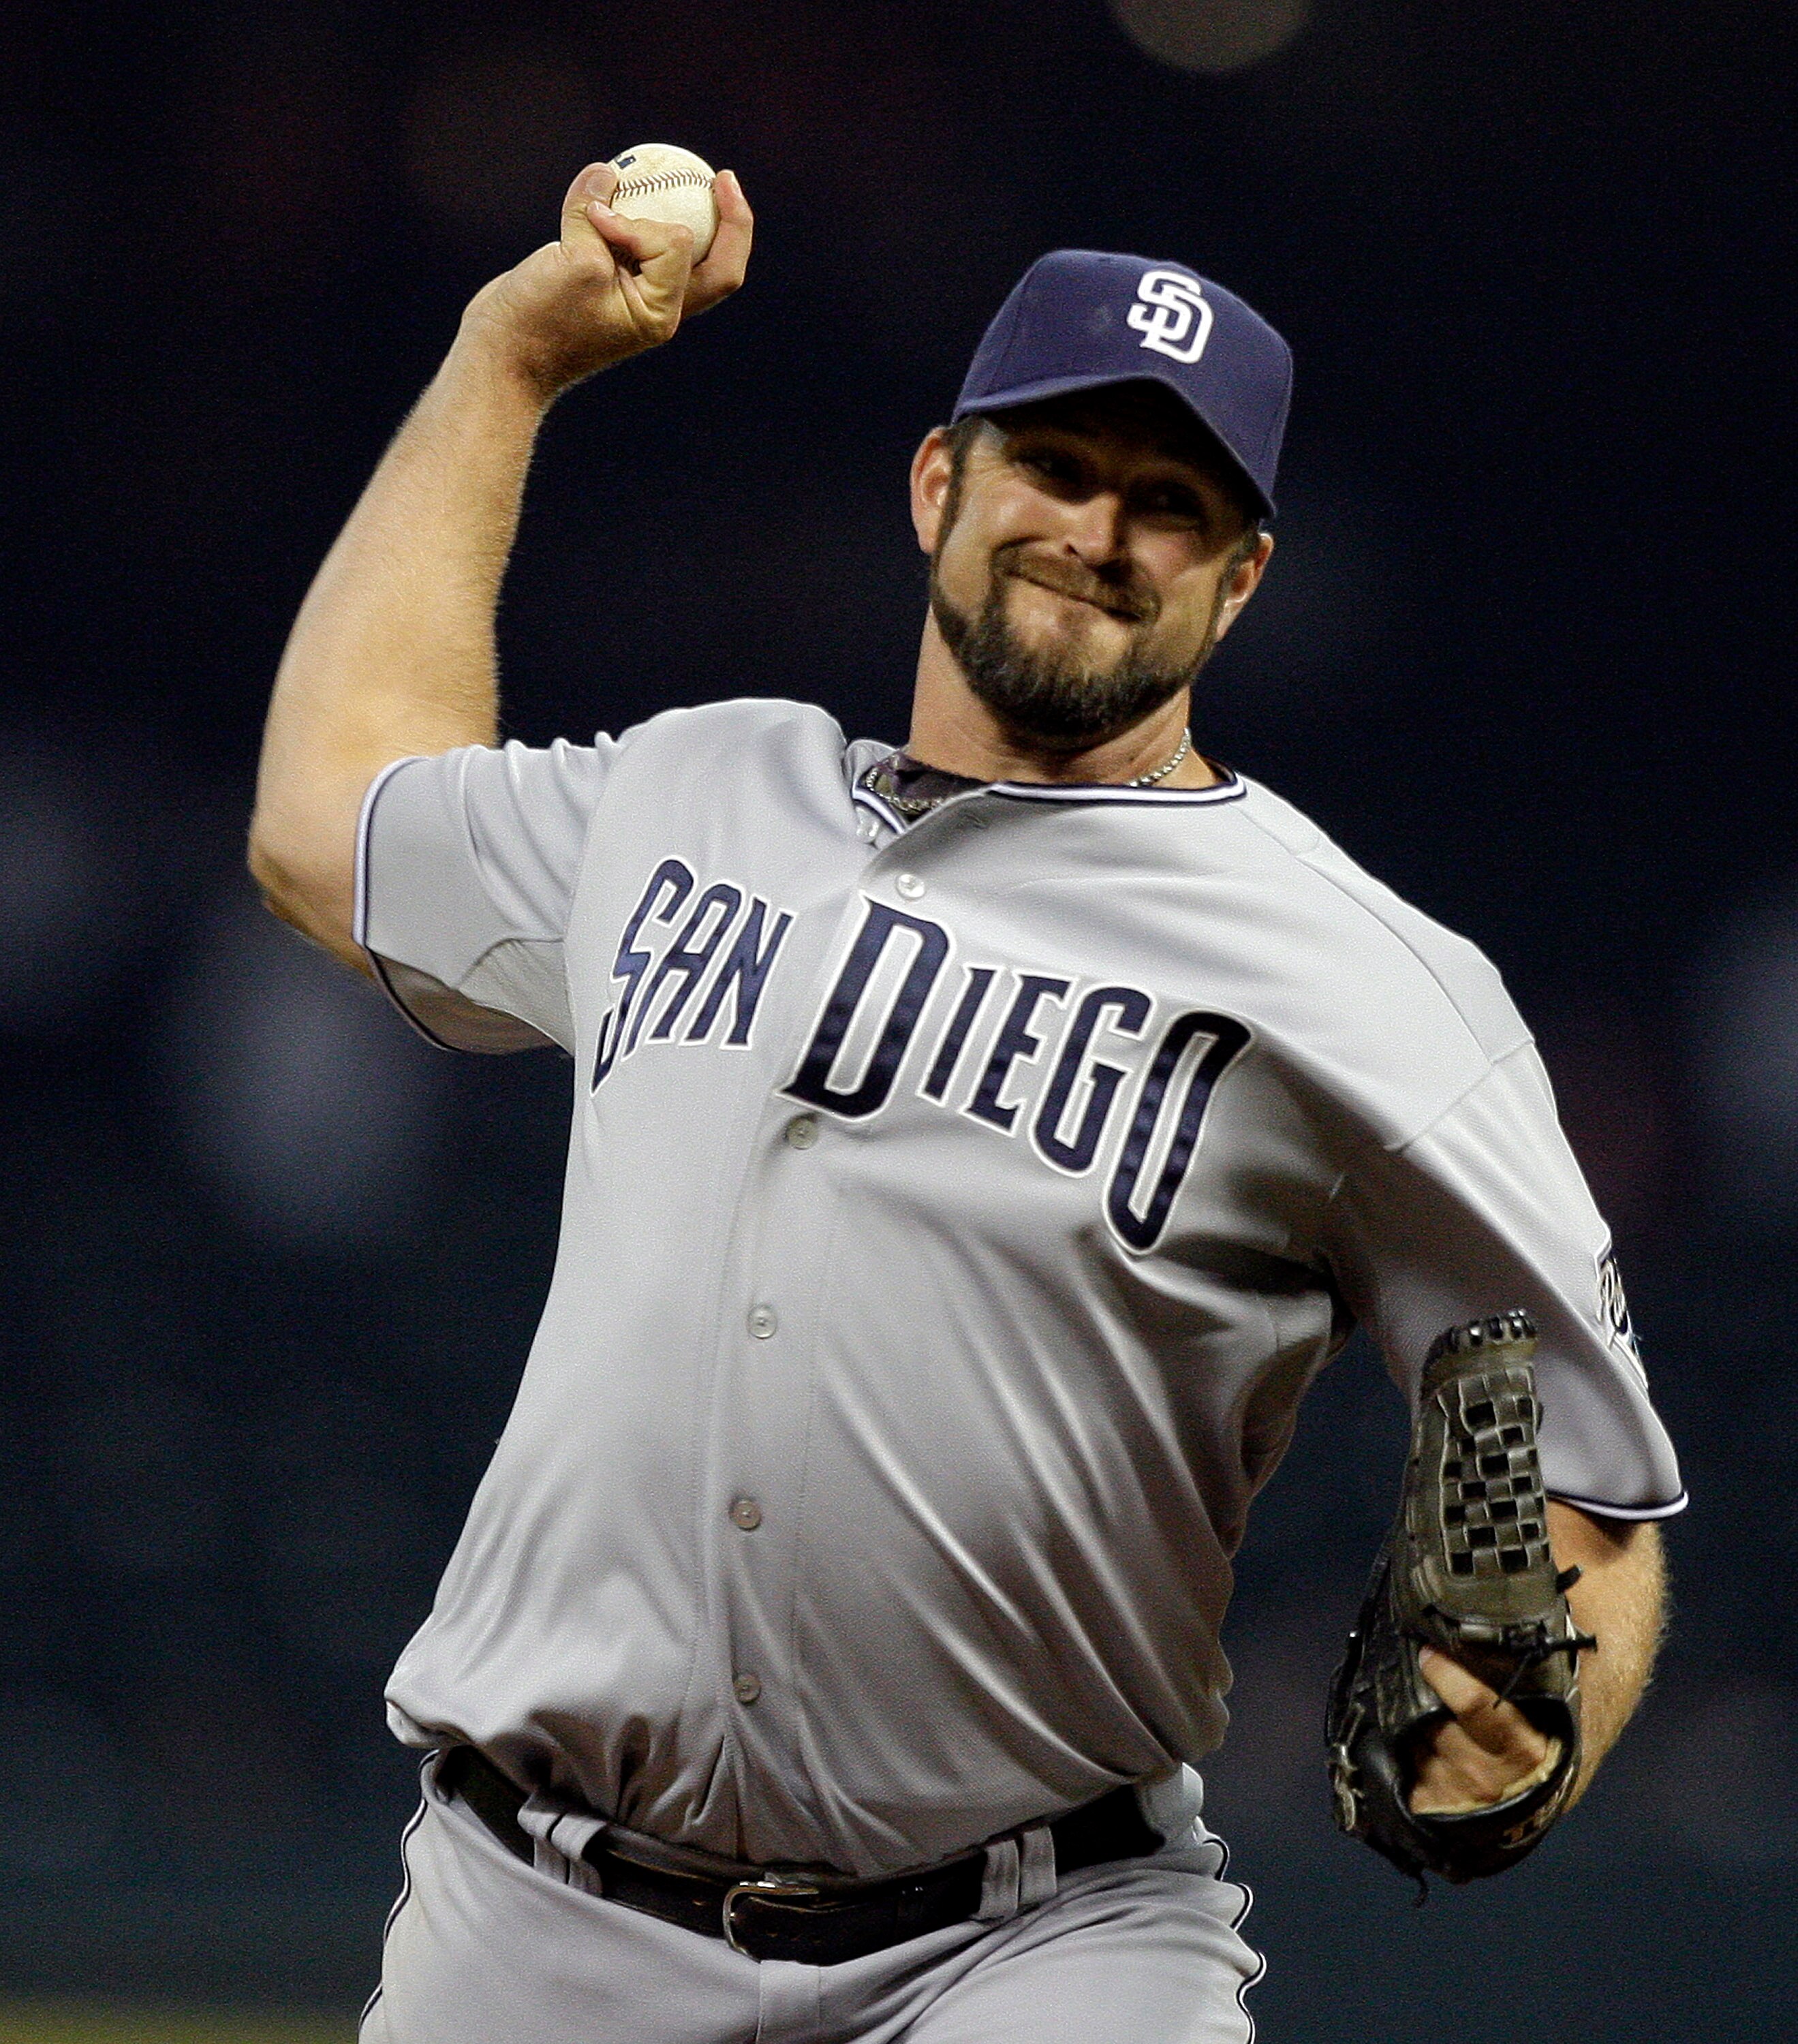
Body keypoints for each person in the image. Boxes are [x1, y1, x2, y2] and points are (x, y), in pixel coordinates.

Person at [249, 162, 1682, 2044]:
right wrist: (504, 364)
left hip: (1037, 1948)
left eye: (1172, 508)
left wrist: (1534, 1723)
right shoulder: (694, 793)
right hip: (538, 1929)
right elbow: (326, 824)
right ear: (941, 485)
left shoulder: (1372, 985)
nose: (1102, 532)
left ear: (1240, 583)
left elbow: (1588, 1489)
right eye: (1060, 470)